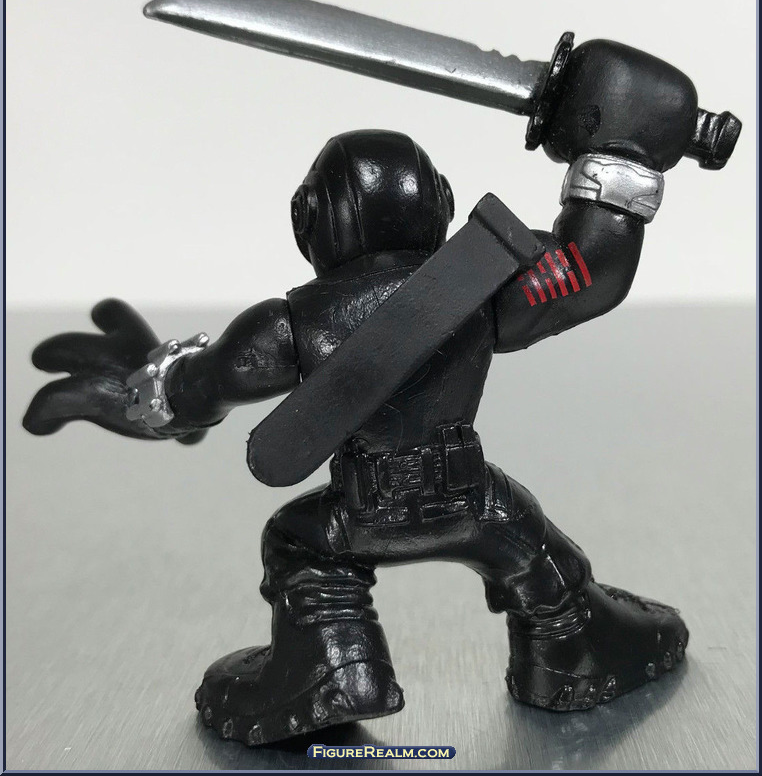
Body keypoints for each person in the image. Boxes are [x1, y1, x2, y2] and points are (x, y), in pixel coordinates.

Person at [24, 41, 701, 747]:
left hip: (360, 510)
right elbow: (591, 266)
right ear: (440, 202)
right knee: (531, 546)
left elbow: (206, 384)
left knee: (298, 545)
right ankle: (572, 650)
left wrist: (146, 389)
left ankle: (334, 669)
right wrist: (622, 156)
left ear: (309, 219)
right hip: (471, 498)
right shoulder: (489, 290)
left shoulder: (290, 324)